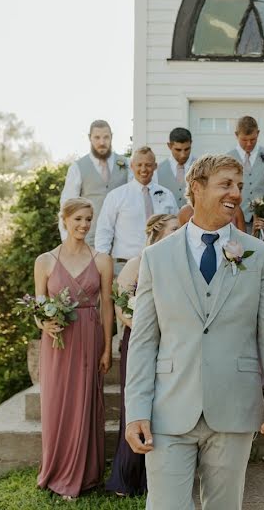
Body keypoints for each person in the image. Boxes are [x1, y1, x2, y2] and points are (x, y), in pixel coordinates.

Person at [124, 154, 264, 510]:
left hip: (233, 405)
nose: (236, 193)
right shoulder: (156, 257)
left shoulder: (260, 255)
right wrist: (136, 410)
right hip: (168, 407)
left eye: (238, 185)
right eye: (225, 185)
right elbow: (143, 341)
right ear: (196, 189)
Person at [34, 197, 114, 500]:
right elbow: (38, 306)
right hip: (58, 342)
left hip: (89, 338)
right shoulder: (45, 261)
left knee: (85, 402)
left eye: (88, 220)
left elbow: (106, 305)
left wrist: (107, 347)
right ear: (64, 220)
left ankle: (84, 475)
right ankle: (57, 472)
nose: (83, 225)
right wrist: (44, 324)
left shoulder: (102, 260)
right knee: (56, 404)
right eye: (78, 219)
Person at [106, 213, 180, 497]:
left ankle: (156, 476)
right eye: (174, 229)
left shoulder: (173, 264)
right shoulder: (136, 263)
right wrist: (154, 328)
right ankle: (127, 477)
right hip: (138, 342)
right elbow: (123, 311)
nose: (179, 232)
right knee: (134, 406)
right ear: (157, 233)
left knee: (161, 406)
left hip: (167, 346)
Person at [95, 147, 178, 275]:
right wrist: (102, 266)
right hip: (124, 266)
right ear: (131, 166)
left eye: (148, 165)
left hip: (161, 265)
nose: (143, 169)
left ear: (155, 166)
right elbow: (104, 231)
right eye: (139, 165)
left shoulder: (167, 195)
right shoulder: (116, 196)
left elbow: (177, 231)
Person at [59, 120, 129, 245]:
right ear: (89, 138)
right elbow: (67, 206)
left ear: (111, 137)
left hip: (121, 239)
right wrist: (67, 241)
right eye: (97, 137)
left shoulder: (127, 164)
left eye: (106, 137)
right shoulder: (77, 167)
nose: (102, 142)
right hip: (89, 238)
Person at [228, 116, 264, 229]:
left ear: (258, 133)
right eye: (244, 140)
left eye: (253, 139)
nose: (248, 144)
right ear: (236, 135)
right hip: (236, 219)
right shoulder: (227, 158)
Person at [155, 127, 194, 210]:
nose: (183, 155)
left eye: (187, 149)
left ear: (191, 143)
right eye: (178, 150)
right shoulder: (158, 170)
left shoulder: (202, 167)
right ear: (169, 146)